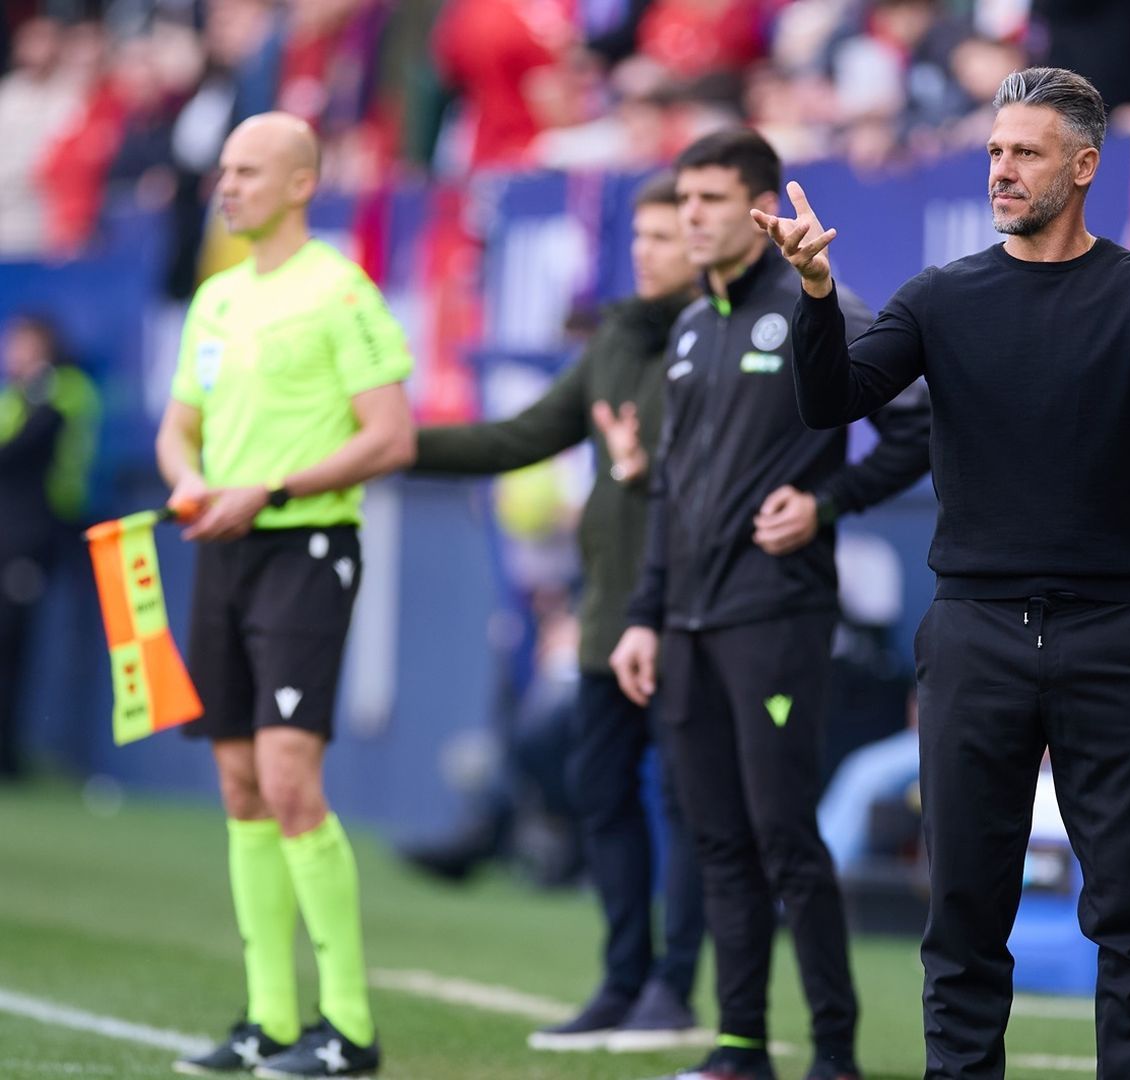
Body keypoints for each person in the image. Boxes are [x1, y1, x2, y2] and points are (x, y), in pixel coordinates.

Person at [765, 65, 1130, 1079]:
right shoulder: (943, 297)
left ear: (1084, 164)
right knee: (965, 917)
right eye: (993, 151)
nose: (1003, 170)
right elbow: (830, 399)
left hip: (1113, 636)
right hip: (975, 632)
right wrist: (812, 293)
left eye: (1025, 152)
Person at [608, 127, 931, 1080]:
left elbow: (913, 429)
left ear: (757, 206)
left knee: (784, 834)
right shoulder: (691, 325)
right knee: (716, 839)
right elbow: (672, 485)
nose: (691, 218)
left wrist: (826, 503)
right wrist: (645, 612)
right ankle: (740, 1044)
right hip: (689, 625)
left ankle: (835, 1051)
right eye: (683, 202)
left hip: (777, 617)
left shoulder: (812, 304)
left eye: (710, 201)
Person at [410, 172, 707, 1052]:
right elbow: (520, 437)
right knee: (603, 797)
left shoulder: (720, 334)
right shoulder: (614, 334)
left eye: (668, 237)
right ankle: (620, 983)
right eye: (644, 237)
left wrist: (639, 464)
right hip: (607, 615)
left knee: (691, 809)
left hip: (694, 614)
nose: (649, 251)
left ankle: (674, 988)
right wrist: (397, 443)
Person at [155, 111, 415, 1078]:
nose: (227, 185)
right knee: (237, 785)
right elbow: (178, 428)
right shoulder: (216, 297)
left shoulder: (339, 291)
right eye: (223, 169)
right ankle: (269, 1018)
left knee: (290, 779)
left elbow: (391, 436)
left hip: (305, 544)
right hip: (221, 552)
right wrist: (189, 478)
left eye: (249, 170)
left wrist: (266, 489)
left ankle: (347, 1028)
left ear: (302, 183)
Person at [0, 314, 99, 781]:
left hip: (35, 535)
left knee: (13, 644)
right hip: (7, 534)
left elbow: (25, 449)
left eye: (22, 343)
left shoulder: (64, 391)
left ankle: (9, 756)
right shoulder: (15, 395)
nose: (11, 352)